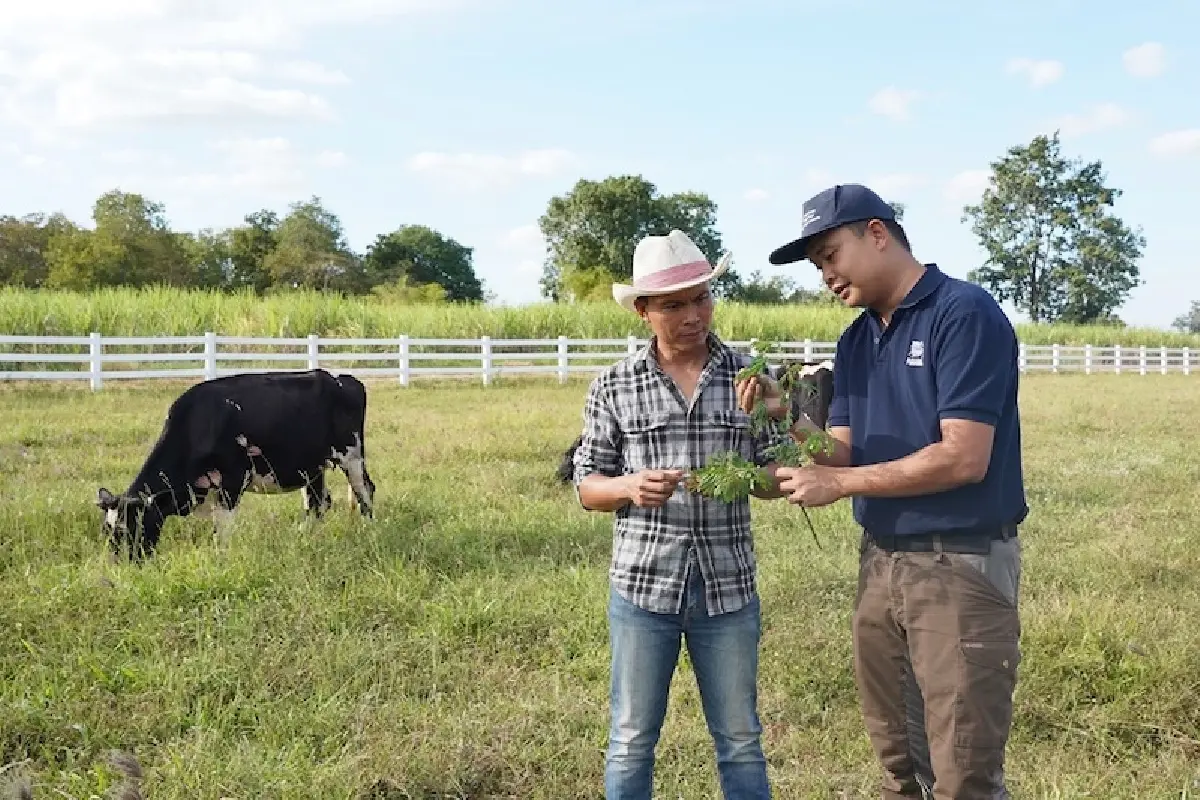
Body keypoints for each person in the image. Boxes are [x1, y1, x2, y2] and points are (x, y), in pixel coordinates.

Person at [738, 184, 1028, 800]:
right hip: (882, 562)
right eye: (817, 265)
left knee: (962, 771)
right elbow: (841, 451)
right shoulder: (857, 340)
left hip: (960, 563)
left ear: (876, 233)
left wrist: (838, 483)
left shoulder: (963, 313)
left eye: (829, 255)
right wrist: (784, 412)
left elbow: (964, 456)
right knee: (899, 761)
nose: (825, 276)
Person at [572, 229, 789, 800]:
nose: (693, 315)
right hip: (644, 589)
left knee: (740, 738)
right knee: (630, 738)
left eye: (701, 298)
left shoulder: (748, 378)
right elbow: (587, 486)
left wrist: (746, 478)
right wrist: (628, 486)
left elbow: (775, 479)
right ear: (643, 311)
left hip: (728, 589)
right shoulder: (615, 386)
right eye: (674, 304)